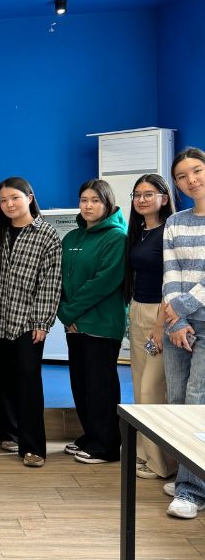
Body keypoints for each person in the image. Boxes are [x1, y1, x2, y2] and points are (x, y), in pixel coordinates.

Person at [0, 177, 62, 468]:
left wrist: (42, 321)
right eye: (3, 200)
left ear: (30, 197)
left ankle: (33, 446)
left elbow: (50, 282)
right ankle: (8, 433)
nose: (9, 204)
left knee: (28, 381)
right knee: (0, 378)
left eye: (15, 198)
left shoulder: (46, 235)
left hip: (27, 322)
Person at [58, 179, 127, 465]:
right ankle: (91, 436)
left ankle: (106, 446)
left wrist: (70, 313)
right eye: (84, 200)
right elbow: (59, 280)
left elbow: (103, 283)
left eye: (95, 200)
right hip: (75, 325)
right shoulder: (71, 239)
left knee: (101, 386)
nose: (88, 205)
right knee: (81, 383)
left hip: (101, 324)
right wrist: (64, 312)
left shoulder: (117, 238)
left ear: (107, 203)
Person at [123, 174, 177, 480]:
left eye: (149, 194)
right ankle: (145, 453)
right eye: (137, 195)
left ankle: (162, 464)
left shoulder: (170, 231)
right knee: (140, 386)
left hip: (161, 314)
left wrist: (160, 326)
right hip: (138, 310)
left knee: (152, 390)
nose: (141, 200)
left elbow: (172, 281)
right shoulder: (139, 232)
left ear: (164, 198)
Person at [162, 147, 205, 519]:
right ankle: (188, 475)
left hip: (196, 318)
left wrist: (182, 309)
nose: (191, 180)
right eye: (181, 176)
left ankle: (192, 491)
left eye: (197, 170)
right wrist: (175, 321)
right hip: (177, 323)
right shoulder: (175, 221)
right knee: (176, 400)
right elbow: (171, 272)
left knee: (196, 400)